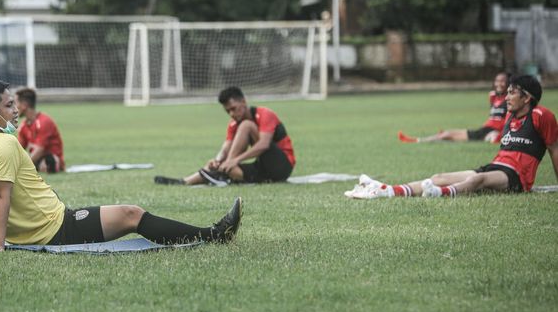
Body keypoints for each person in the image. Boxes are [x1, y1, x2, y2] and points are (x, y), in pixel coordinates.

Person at [0, 79, 242, 251]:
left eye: (15, 104)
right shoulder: (5, 142)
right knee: (132, 214)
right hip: (54, 228)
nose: (16, 111)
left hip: (38, 228)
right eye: (9, 106)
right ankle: (214, 236)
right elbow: (0, 196)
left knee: (129, 214)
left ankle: (213, 234)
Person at [346, 75, 558, 199]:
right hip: (495, 168)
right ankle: (387, 191)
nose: (507, 97)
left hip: (517, 178)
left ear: (527, 97)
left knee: (477, 179)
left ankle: (439, 193)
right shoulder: (510, 118)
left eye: (512, 92)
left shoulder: (541, 116)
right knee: (439, 176)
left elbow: (554, 149)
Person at [154, 86, 296, 186]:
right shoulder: (234, 124)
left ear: (243, 102)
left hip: (282, 166)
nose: (232, 114)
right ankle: (184, 182)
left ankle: (222, 173)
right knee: (231, 169)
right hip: (264, 170)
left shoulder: (264, 114)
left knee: (246, 126)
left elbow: (263, 145)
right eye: (228, 111)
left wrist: (234, 160)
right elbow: (226, 146)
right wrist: (217, 160)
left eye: (234, 108)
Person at [398, 72, 510, 143]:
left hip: (493, 131)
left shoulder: (509, 99)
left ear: (508, 83)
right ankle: (437, 138)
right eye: (497, 81)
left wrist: (501, 134)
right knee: (448, 135)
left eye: (502, 81)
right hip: (485, 129)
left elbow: (508, 120)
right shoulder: (493, 96)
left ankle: (417, 140)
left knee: (447, 134)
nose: (499, 84)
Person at [15, 87, 65, 173]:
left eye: (15, 103)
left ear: (24, 105)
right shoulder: (23, 125)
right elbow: (18, 149)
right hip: (36, 160)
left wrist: (22, 168)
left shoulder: (44, 122)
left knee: (45, 163)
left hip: (50, 159)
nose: (14, 108)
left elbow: (39, 150)